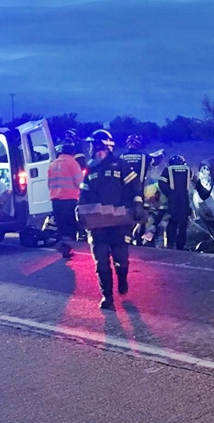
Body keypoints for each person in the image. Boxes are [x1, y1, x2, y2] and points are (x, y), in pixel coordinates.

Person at [78, 129, 142, 310]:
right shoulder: (90, 168)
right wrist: (80, 209)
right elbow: (84, 192)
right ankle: (107, 296)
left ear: (102, 146)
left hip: (119, 221)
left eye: (93, 144)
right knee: (100, 259)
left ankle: (122, 279)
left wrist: (137, 204)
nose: (90, 148)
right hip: (97, 222)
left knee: (120, 257)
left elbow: (135, 187)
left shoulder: (120, 165)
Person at [47, 142, 84, 258]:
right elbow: (80, 182)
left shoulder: (53, 164)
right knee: (70, 225)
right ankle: (69, 248)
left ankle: (63, 247)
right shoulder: (72, 163)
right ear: (72, 153)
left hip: (56, 200)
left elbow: (49, 183)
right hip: (69, 200)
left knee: (61, 225)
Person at [157, 155, 194, 250]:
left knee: (172, 222)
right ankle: (181, 246)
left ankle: (170, 243)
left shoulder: (168, 170)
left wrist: (169, 193)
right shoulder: (187, 169)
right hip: (184, 200)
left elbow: (161, 183)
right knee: (183, 224)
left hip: (173, 200)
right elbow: (196, 181)